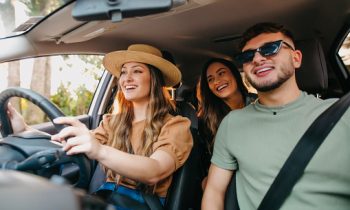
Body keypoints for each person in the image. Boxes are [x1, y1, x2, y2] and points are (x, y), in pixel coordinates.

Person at [8, 44, 193, 209]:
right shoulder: (112, 121)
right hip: (104, 197)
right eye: (123, 72)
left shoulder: (176, 125)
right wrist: (24, 130)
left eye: (137, 71)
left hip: (141, 203)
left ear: (154, 79)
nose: (126, 78)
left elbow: (155, 170)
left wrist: (99, 150)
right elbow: (73, 145)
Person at [202, 22, 350, 210]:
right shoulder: (231, 124)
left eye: (270, 49)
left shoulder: (343, 114)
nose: (257, 58)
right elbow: (214, 192)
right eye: (248, 56)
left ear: (296, 58)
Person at [197, 58, 256, 189]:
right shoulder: (207, 120)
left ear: (234, 74)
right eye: (210, 79)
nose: (217, 81)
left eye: (222, 73)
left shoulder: (259, 103)